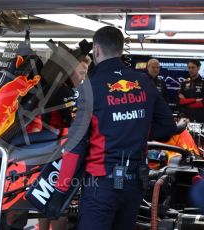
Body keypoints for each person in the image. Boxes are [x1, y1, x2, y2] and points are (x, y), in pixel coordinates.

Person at [46, 26, 177, 230]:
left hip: (102, 186)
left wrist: (60, 191)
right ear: (121, 50)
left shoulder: (89, 88)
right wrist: (135, 130)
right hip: (135, 184)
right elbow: (168, 127)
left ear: (96, 50)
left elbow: (76, 145)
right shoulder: (143, 81)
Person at [39, 57, 90, 230]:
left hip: (49, 147)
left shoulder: (59, 88)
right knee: (62, 200)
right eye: (81, 72)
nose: (84, 76)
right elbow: (75, 121)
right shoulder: (64, 91)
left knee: (45, 197)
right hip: (61, 150)